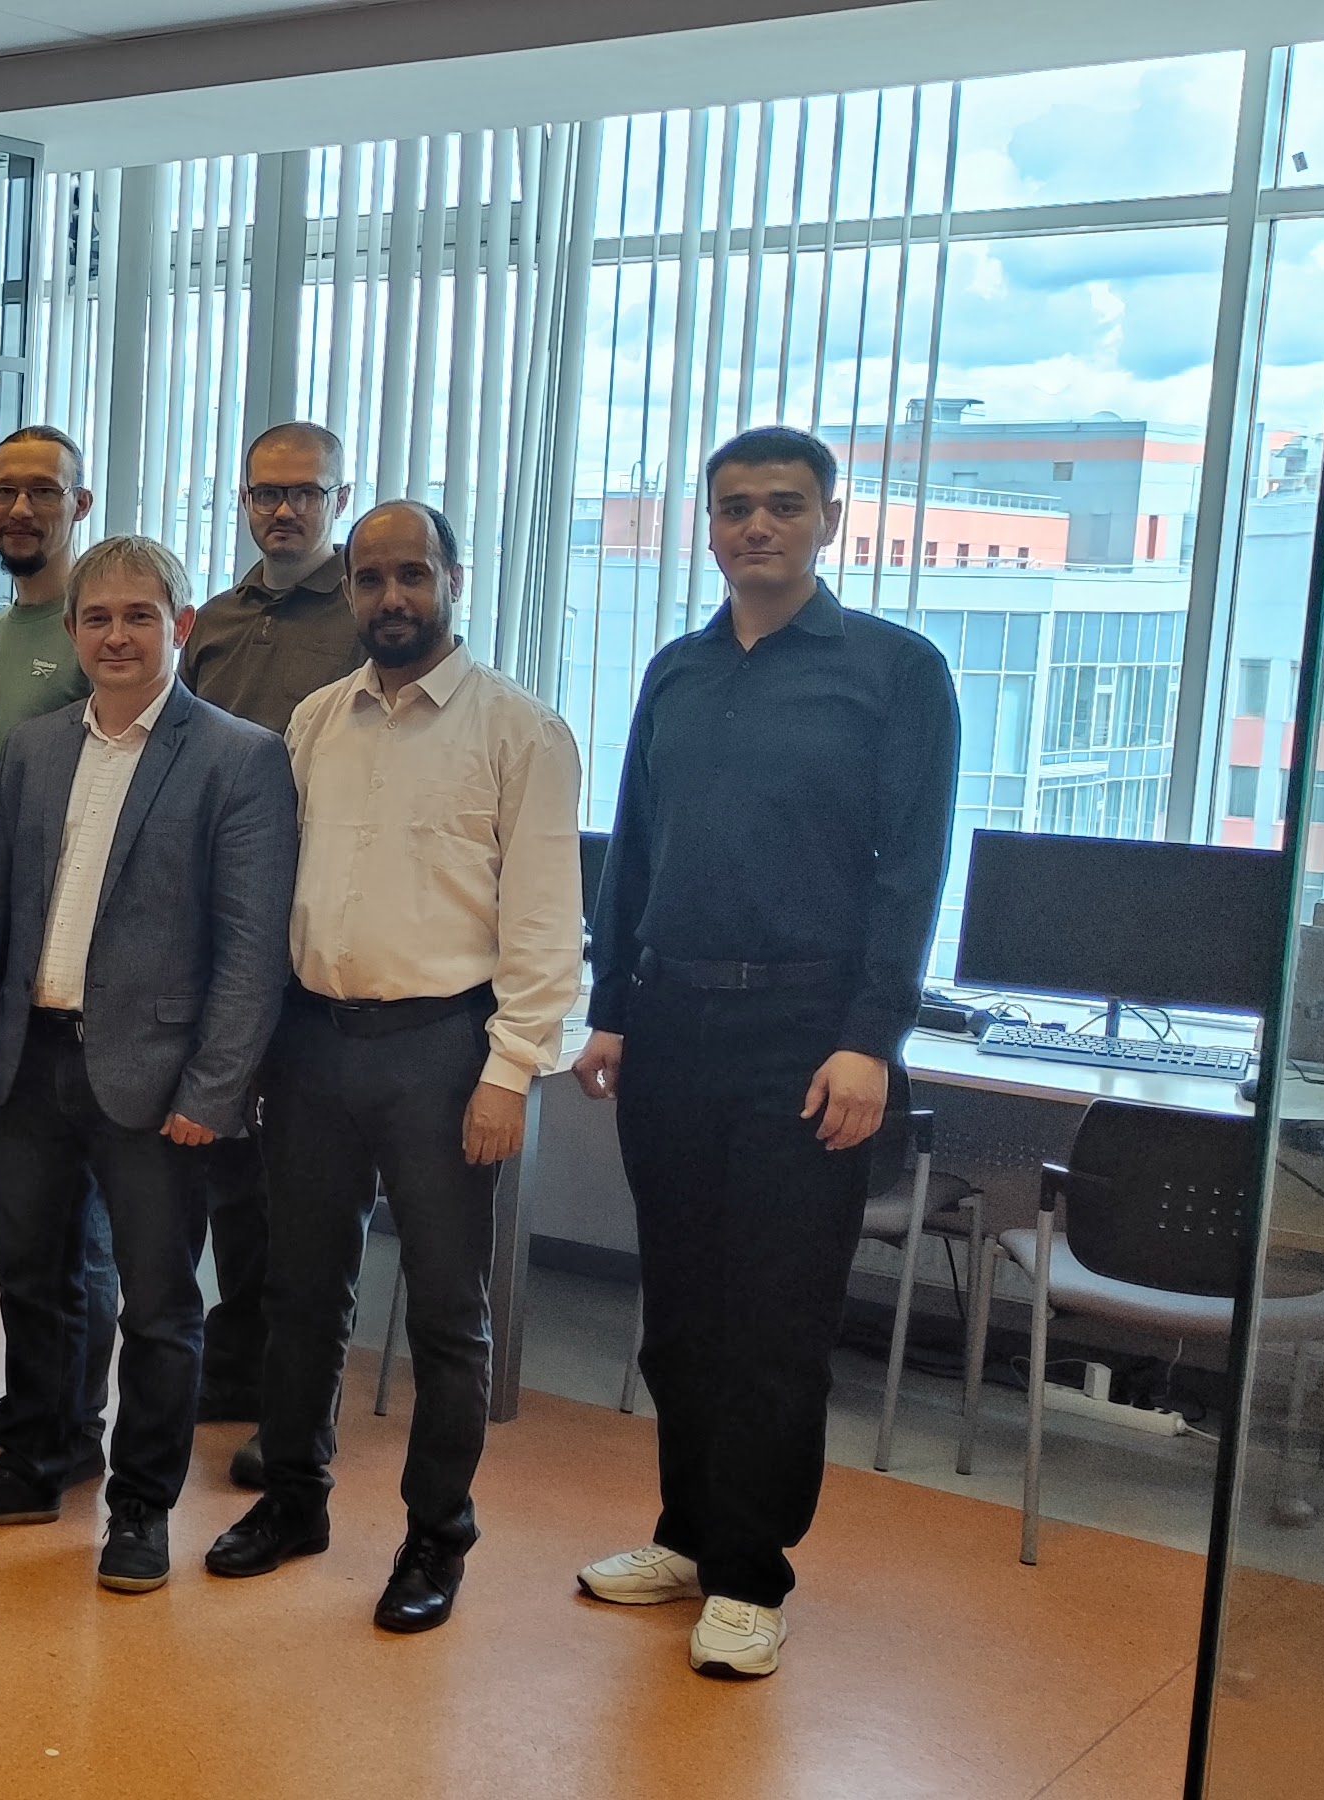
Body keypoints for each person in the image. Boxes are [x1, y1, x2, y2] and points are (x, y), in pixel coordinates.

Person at [568, 426, 960, 1679]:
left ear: (829, 520)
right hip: (670, 1023)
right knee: (682, 1311)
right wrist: (611, 1005)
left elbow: (910, 871)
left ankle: (748, 1576)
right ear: (708, 524)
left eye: (784, 506)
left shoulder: (894, 671)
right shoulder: (677, 671)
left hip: (805, 1036)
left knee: (775, 1320)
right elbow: (633, 849)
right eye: (734, 506)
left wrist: (869, 1040)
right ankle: (687, 1536)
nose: (756, 527)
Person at [201, 500, 582, 1635]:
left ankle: (435, 1538)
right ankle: (295, 1501)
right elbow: (274, 894)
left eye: (412, 575)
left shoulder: (521, 732)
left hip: (445, 1052)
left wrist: (510, 1072)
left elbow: (545, 924)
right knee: (300, 1294)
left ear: (454, 580)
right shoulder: (316, 721)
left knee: (447, 1318)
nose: (391, 598)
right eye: (370, 579)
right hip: (313, 1042)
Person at [0, 533, 295, 1598]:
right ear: (73, 631)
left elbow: (250, 952)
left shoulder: (240, 759)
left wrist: (215, 1092)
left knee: (160, 1308)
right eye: (97, 618)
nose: (116, 636)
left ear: (180, 627)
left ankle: (141, 1508)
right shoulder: (35, 749)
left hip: (158, 1082)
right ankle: (36, 1463)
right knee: (33, 1280)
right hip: (30, 1061)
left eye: (139, 617)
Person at [181, 420, 371, 1475]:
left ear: (339, 499)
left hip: (315, 939)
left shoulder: (367, 614)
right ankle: (238, 1359)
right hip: (215, 933)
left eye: (305, 492)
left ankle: (300, 1405)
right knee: (226, 1166)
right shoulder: (215, 620)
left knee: (303, 1189)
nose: (283, 509)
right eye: (265, 493)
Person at [0, 425, 107, 1459]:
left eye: (42, 491)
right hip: (1, 961)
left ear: (78, 505)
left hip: (72, 975)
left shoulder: (92, 629)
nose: (19, 509)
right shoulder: (2, 633)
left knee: (76, 1225)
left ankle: (74, 1421)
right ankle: (31, 1396)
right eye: (3, 490)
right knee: (8, 1204)